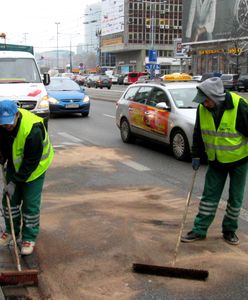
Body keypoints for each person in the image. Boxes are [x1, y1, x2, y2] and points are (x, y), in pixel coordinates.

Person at [181, 77, 248, 245]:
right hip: (216, 161)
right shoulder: (202, 109)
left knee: (235, 199)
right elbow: (198, 133)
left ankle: (229, 230)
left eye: (206, 101)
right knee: (209, 198)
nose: (203, 104)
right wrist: (196, 154)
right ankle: (199, 230)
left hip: (238, 160)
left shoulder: (239, 106)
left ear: (215, 97)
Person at [0, 100, 54, 255]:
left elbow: (31, 162)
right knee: (9, 200)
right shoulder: (2, 125)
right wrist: (2, 155)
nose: (6, 126)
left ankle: (29, 237)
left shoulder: (33, 129)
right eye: (3, 123)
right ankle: (11, 231)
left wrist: (15, 182)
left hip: (35, 168)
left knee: (30, 204)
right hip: (15, 165)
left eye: (9, 122)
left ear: (16, 115)